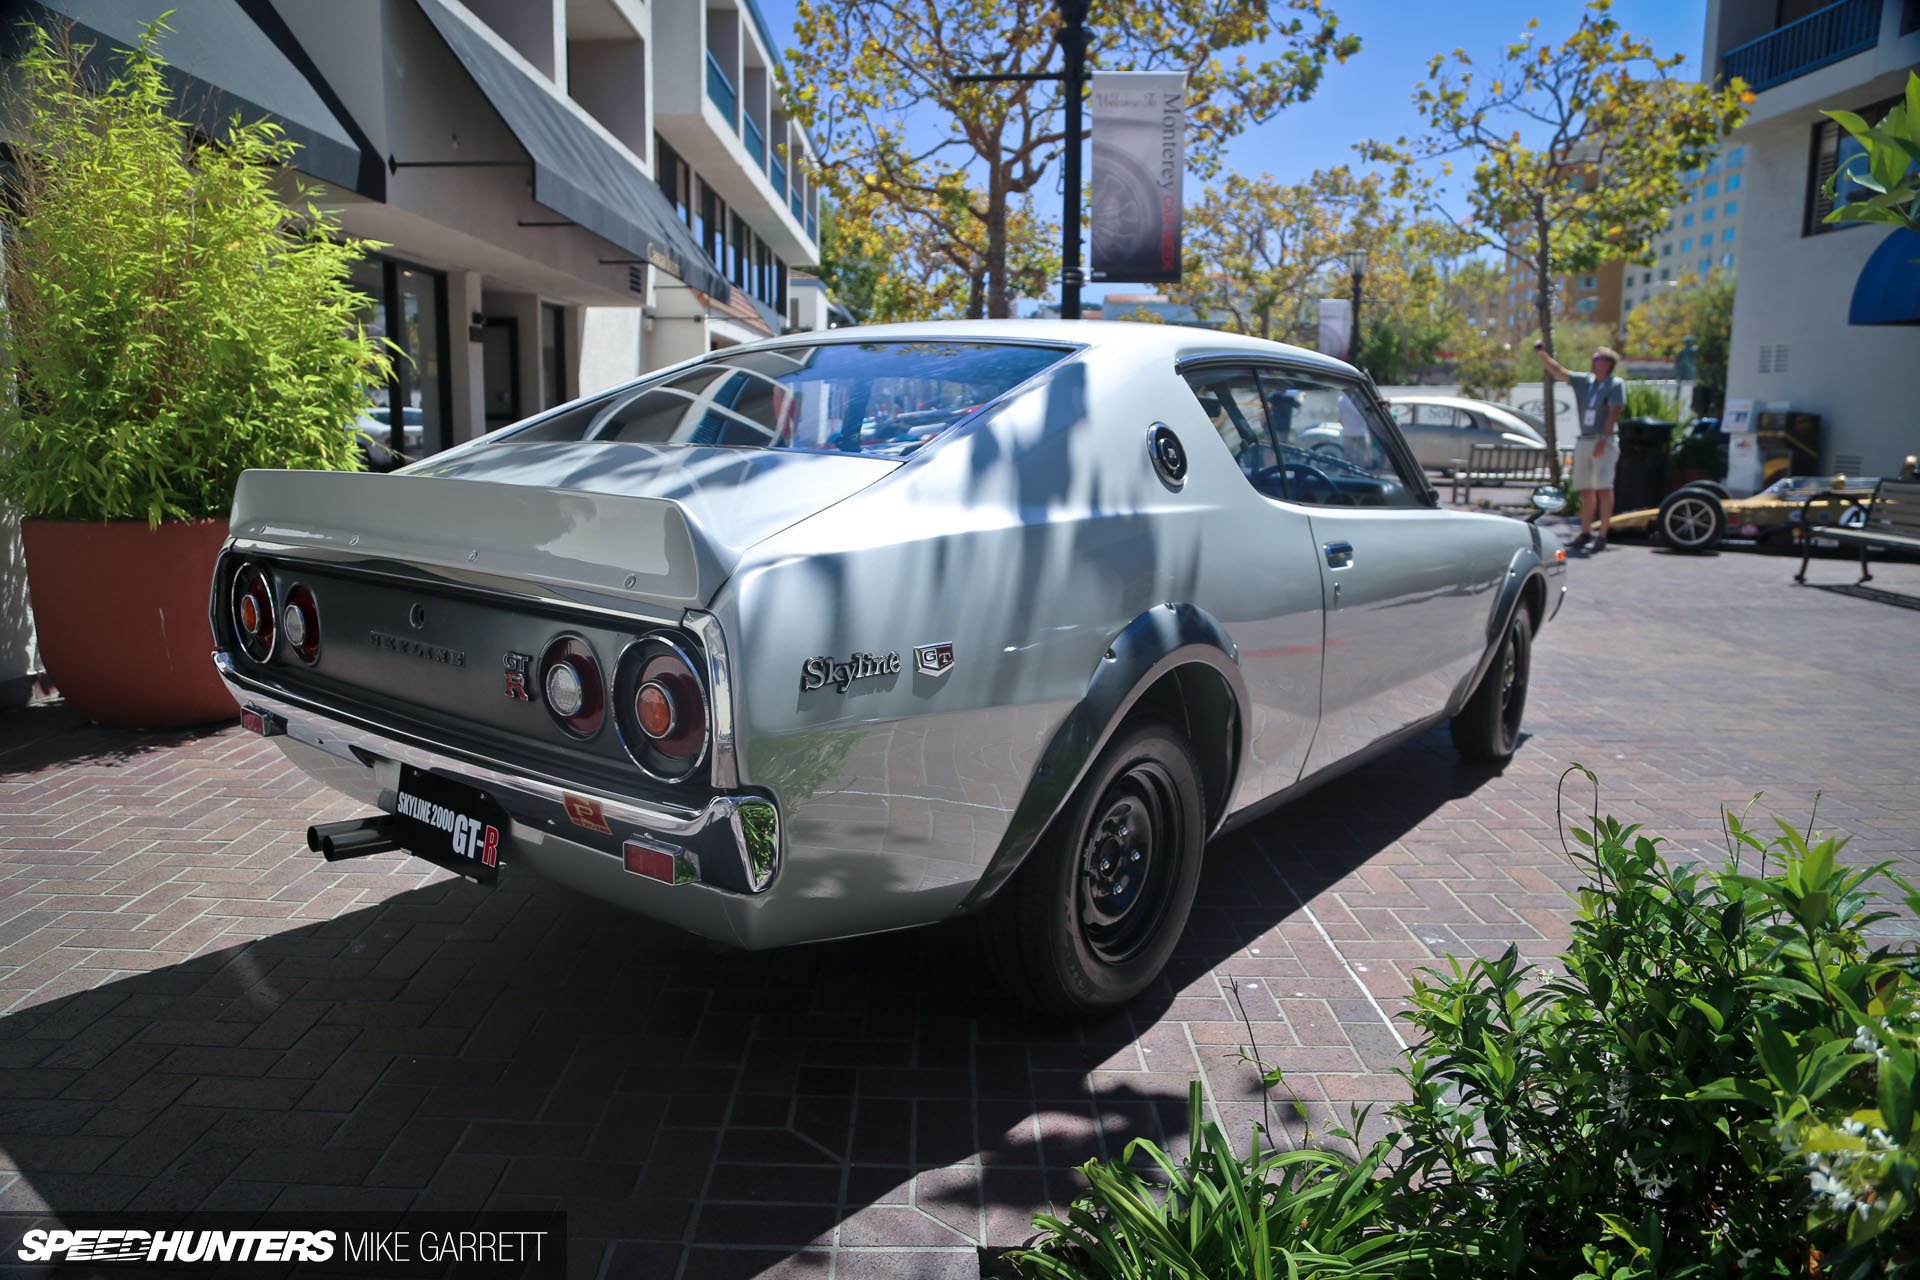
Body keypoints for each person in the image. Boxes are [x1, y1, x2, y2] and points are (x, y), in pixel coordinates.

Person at [1534, 341, 1625, 553]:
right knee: (1586, 488)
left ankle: (1602, 535)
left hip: (1604, 440)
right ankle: (1585, 532)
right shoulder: (1585, 381)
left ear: (1608, 363)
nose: (1594, 362)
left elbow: (1613, 412)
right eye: (1594, 359)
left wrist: (1603, 439)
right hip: (1584, 440)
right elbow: (1560, 372)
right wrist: (1542, 355)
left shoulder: (1615, 384)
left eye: (1598, 359)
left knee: (1603, 487)